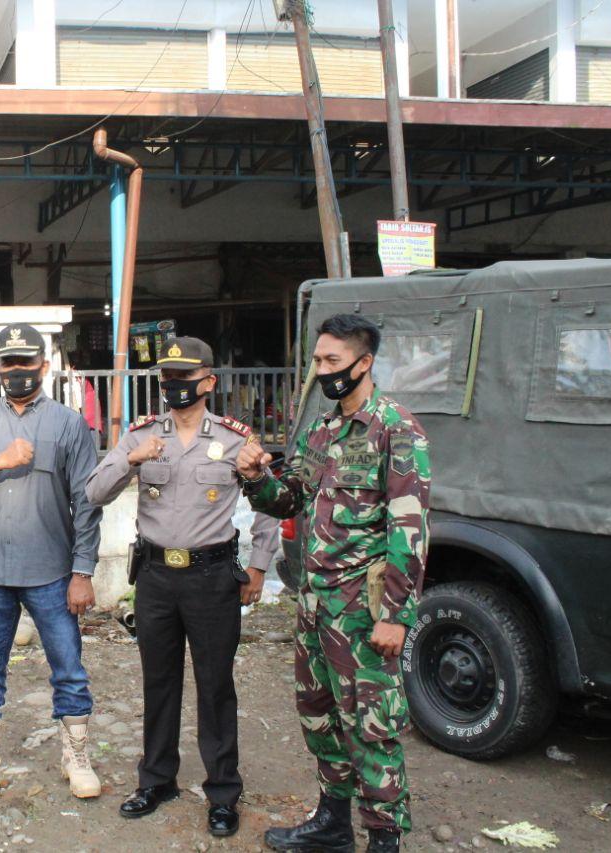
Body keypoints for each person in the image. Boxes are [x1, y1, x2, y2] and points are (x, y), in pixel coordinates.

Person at [237, 314, 430, 853]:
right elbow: (291, 499)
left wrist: (395, 614)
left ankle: (385, 839)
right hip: (315, 606)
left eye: (333, 362)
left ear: (364, 363)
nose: (323, 371)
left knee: (372, 724)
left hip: (362, 612)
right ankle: (333, 821)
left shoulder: (396, 428)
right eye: (318, 361)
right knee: (318, 715)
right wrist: (257, 478)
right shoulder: (321, 431)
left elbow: (409, 528)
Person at [85, 336, 280, 839]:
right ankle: (157, 779)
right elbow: (93, 492)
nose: (174, 387)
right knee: (159, 681)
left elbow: (269, 502)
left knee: (216, 686)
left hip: (213, 577)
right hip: (154, 577)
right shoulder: (142, 435)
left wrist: (258, 566)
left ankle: (222, 791)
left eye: (184, 379)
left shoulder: (237, 439)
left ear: (208, 382)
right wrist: (131, 460)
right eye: (167, 379)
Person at [0, 323, 103, 800]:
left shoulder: (68, 424)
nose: (18, 371)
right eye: (8, 364)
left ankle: (76, 753)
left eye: (26, 362)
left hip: (52, 572)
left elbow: (87, 502)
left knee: (68, 668)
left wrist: (83, 572)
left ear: (43, 367)